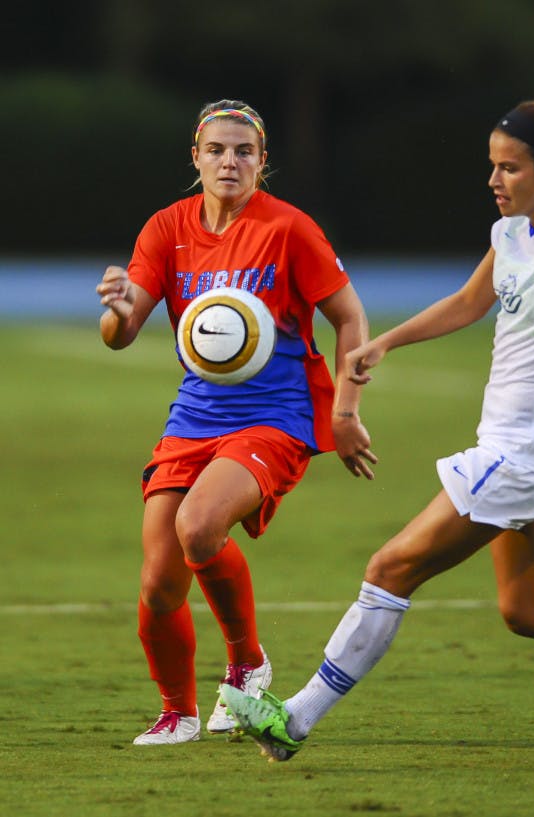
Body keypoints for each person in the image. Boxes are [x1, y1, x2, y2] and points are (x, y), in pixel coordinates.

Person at [221, 99, 534, 762]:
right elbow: (470, 302)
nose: (494, 181)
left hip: (526, 451)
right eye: (492, 166)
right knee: (529, 608)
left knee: (389, 568)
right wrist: (386, 343)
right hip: (526, 448)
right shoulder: (512, 233)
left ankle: (293, 719)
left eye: (509, 168)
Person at [96, 99, 378, 745]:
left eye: (244, 151)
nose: (230, 160)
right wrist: (114, 308)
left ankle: (247, 663)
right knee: (159, 581)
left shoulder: (288, 229)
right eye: (217, 150)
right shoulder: (166, 229)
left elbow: (350, 317)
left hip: (276, 417)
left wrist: (344, 411)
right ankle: (178, 712)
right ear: (195, 158)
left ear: (262, 162)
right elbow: (121, 333)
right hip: (195, 416)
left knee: (199, 527)